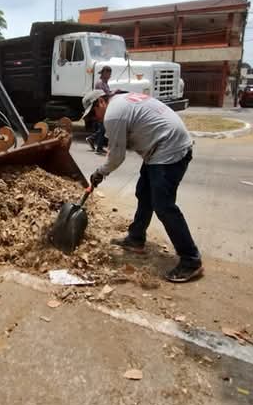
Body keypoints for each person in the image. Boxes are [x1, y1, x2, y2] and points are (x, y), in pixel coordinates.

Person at [82, 89, 203, 283]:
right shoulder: (120, 101)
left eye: (93, 113)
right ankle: (136, 238)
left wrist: (100, 172)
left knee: (163, 206)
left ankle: (191, 260)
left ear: (101, 102)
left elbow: (117, 157)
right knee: (144, 193)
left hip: (168, 149)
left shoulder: (113, 114)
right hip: (161, 147)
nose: (95, 119)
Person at [86, 66, 112, 155]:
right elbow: (102, 95)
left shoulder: (105, 83)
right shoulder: (100, 83)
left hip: (104, 107)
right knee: (103, 127)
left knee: (103, 127)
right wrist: (111, 94)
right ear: (104, 73)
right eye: (108, 74)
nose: (109, 76)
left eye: (110, 74)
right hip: (100, 107)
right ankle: (98, 146)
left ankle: (93, 139)